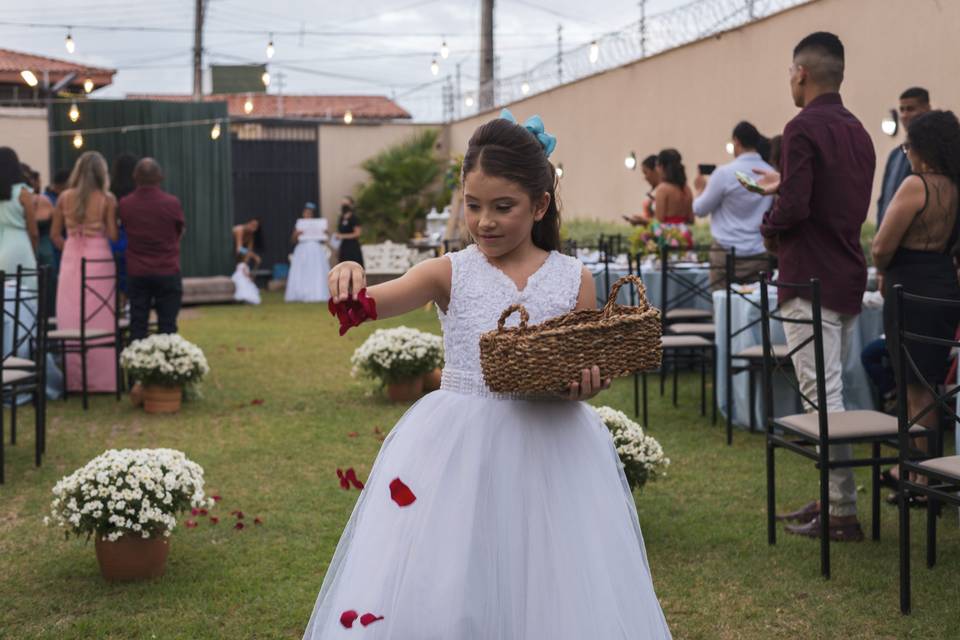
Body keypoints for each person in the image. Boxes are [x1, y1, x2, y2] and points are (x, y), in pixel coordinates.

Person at [303, 112, 671, 639]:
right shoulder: (449, 271)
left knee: (551, 579)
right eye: (473, 207)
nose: (485, 222)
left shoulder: (574, 279)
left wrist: (587, 384)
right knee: (456, 573)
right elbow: (369, 305)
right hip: (461, 450)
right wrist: (349, 279)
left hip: (554, 448)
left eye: (503, 207)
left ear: (539, 205)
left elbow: (584, 362)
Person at [754, 32, 876, 542]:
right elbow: (832, 201)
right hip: (847, 270)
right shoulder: (860, 131)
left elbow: (799, 208)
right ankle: (834, 497)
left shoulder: (801, 127)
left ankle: (842, 511)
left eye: (789, 72)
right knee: (833, 390)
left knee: (821, 395)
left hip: (809, 276)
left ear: (801, 73)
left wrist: (769, 224)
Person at [871, 110, 960, 498]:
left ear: (924, 148)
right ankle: (922, 470)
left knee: (913, 386)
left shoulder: (916, 185)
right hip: (943, 285)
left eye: (908, 145)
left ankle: (919, 476)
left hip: (909, 288)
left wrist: (882, 268)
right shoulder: (957, 187)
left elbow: (880, 246)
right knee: (932, 382)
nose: (906, 153)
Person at [51, 151, 120, 393]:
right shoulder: (107, 199)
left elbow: (54, 235)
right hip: (99, 257)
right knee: (101, 314)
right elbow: (112, 235)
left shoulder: (64, 198)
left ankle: (75, 380)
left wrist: (71, 245)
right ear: (102, 173)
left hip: (71, 259)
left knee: (71, 314)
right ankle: (102, 380)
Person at [693, 121, 775, 289]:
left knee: (723, 307)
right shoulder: (771, 173)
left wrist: (700, 190)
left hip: (724, 254)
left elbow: (699, 209)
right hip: (759, 252)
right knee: (756, 309)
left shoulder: (723, 173)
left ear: (736, 141)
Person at [118, 158, 185, 342]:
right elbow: (179, 232)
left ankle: (138, 367)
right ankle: (166, 367)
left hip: (138, 272)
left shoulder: (125, 204)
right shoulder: (172, 203)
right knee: (168, 326)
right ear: (160, 177)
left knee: (138, 326)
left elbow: (123, 230)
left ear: (135, 177)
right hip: (167, 269)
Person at [876, 88, 932, 227]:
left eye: (910, 109)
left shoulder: (932, 154)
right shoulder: (895, 155)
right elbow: (884, 199)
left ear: (927, 110)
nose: (905, 115)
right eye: (902, 110)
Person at [0, 148, 38, 284]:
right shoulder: (23, 193)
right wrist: (32, 251)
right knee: (25, 296)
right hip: (20, 246)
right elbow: (33, 232)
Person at [285, 202, 330, 303]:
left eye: (309, 213)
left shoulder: (318, 224)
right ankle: (301, 293)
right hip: (302, 249)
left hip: (315, 249)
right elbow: (293, 240)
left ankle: (318, 292)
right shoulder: (299, 224)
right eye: (305, 213)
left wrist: (324, 232)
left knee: (316, 270)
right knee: (302, 271)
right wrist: (296, 234)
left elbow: (324, 239)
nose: (307, 215)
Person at [110, 153, 138, 301]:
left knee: (118, 279)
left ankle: (120, 306)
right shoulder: (137, 192)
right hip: (134, 240)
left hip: (116, 240)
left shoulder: (110, 192)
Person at [653, 149, 694, 224]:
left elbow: (659, 221)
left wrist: (643, 222)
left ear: (661, 167)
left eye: (657, 166)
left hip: (668, 234)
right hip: (684, 233)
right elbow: (691, 219)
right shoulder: (687, 189)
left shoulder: (662, 189)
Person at [624, 155, 660, 226]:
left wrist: (643, 220)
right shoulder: (655, 191)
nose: (645, 178)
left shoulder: (664, 190)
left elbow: (662, 222)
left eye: (646, 173)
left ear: (656, 171)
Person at [335, 196, 364, 266]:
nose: (344, 206)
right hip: (343, 247)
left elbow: (357, 233)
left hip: (352, 247)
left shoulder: (354, 218)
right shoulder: (341, 218)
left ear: (351, 205)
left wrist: (342, 236)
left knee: (353, 267)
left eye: (346, 204)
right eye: (343, 204)